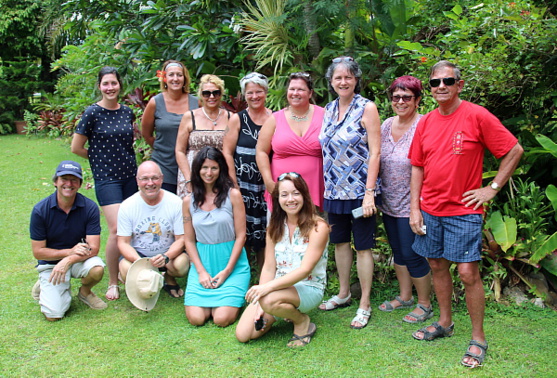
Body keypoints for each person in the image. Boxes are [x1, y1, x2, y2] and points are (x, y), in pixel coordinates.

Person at [408, 60, 523, 368]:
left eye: (447, 81)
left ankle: (478, 338)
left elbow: (513, 150)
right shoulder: (426, 122)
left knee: (468, 273)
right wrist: (414, 208)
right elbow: (417, 165)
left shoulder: (476, 115)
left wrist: (493, 187)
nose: (441, 86)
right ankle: (445, 323)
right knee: (436, 264)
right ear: (430, 89)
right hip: (430, 209)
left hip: (464, 210)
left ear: (459, 85)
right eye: (435, 82)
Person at [317, 57, 381, 330]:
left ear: (356, 80)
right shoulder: (328, 109)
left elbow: (376, 151)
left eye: (348, 77)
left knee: (363, 246)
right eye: (338, 78)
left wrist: (369, 193)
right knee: (340, 243)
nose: (343, 82)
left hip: (359, 191)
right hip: (333, 190)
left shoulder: (367, 107)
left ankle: (364, 302)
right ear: (331, 82)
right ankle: (343, 293)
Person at [235, 172, 329, 347]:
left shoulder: (318, 227)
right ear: (277, 199)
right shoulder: (274, 228)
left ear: (304, 195)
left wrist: (266, 291)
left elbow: (304, 270)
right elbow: (269, 268)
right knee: (244, 334)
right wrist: (261, 303)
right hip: (276, 289)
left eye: (296, 193)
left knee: (269, 300)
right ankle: (278, 309)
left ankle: (302, 321)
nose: (290, 199)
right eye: (284, 195)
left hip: (308, 287)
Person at [71, 66, 137, 301]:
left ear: (120, 85)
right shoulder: (92, 113)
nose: (110, 88)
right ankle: (112, 282)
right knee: (117, 229)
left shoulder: (127, 112)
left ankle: (127, 271)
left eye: (114, 83)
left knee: (132, 227)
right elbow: (76, 147)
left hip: (131, 176)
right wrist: (98, 158)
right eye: (105, 84)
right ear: (100, 86)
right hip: (107, 178)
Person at [377, 76, 433, 323]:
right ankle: (405, 296)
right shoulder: (386, 124)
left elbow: (427, 166)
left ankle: (425, 304)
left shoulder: (424, 125)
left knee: (413, 254)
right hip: (388, 202)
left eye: (407, 97)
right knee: (398, 252)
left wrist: (416, 208)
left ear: (418, 100)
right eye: (396, 97)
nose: (400, 102)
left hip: (413, 204)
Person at [30, 161, 107, 321]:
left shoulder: (90, 207)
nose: (69, 184)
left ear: (79, 184)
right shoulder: (40, 211)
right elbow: (38, 251)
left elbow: (94, 248)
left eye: (74, 180)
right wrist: (68, 252)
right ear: (55, 181)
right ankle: (44, 285)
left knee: (97, 268)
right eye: (64, 178)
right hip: (50, 264)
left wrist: (69, 260)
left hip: (78, 259)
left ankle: (85, 293)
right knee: (54, 315)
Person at [183, 146, 250, 327]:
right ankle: (208, 297)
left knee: (221, 319)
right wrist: (201, 271)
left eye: (214, 167)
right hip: (203, 263)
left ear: (221, 169)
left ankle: (228, 295)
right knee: (196, 319)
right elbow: (189, 240)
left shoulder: (233, 195)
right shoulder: (188, 201)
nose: (209, 172)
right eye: (204, 168)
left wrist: (227, 270)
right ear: (197, 170)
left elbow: (241, 236)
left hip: (231, 264)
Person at [117, 161, 189, 298]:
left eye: (154, 178)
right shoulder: (127, 206)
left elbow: (182, 239)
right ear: (137, 181)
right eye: (144, 179)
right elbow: (123, 243)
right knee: (126, 270)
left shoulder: (175, 203)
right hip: (139, 255)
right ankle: (146, 281)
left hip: (168, 255)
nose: (150, 183)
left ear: (162, 179)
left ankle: (168, 277)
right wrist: (140, 262)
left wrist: (166, 256)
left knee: (181, 265)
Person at [223, 72, 272, 268]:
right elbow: (226, 152)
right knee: (243, 229)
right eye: (250, 93)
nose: (254, 96)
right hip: (243, 183)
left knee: (265, 229)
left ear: (265, 92)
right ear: (244, 95)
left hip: (266, 184)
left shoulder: (274, 118)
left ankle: (263, 276)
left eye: (258, 92)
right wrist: (233, 183)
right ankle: (243, 274)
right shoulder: (237, 119)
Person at [256, 72, 325, 210]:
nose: (295, 93)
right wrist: (268, 181)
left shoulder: (325, 115)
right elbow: (261, 151)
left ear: (310, 93)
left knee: (315, 230)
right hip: (282, 189)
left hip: (314, 187)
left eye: (300, 89)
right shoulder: (275, 119)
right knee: (280, 230)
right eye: (292, 89)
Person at [141, 60, 199, 194]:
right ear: (165, 78)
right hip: (164, 166)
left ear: (185, 78)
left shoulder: (196, 102)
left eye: (179, 75)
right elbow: (147, 134)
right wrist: (163, 149)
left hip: (191, 167)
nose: (175, 79)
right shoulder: (155, 102)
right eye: (171, 75)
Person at [176, 74, 231, 198]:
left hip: (220, 175)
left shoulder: (230, 118)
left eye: (215, 93)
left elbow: (231, 152)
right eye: (207, 93)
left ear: (221, 94)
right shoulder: (189, 117)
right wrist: (188, 178)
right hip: (193, 173)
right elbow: (179, 150)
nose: (211, 97)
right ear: (201, 95)